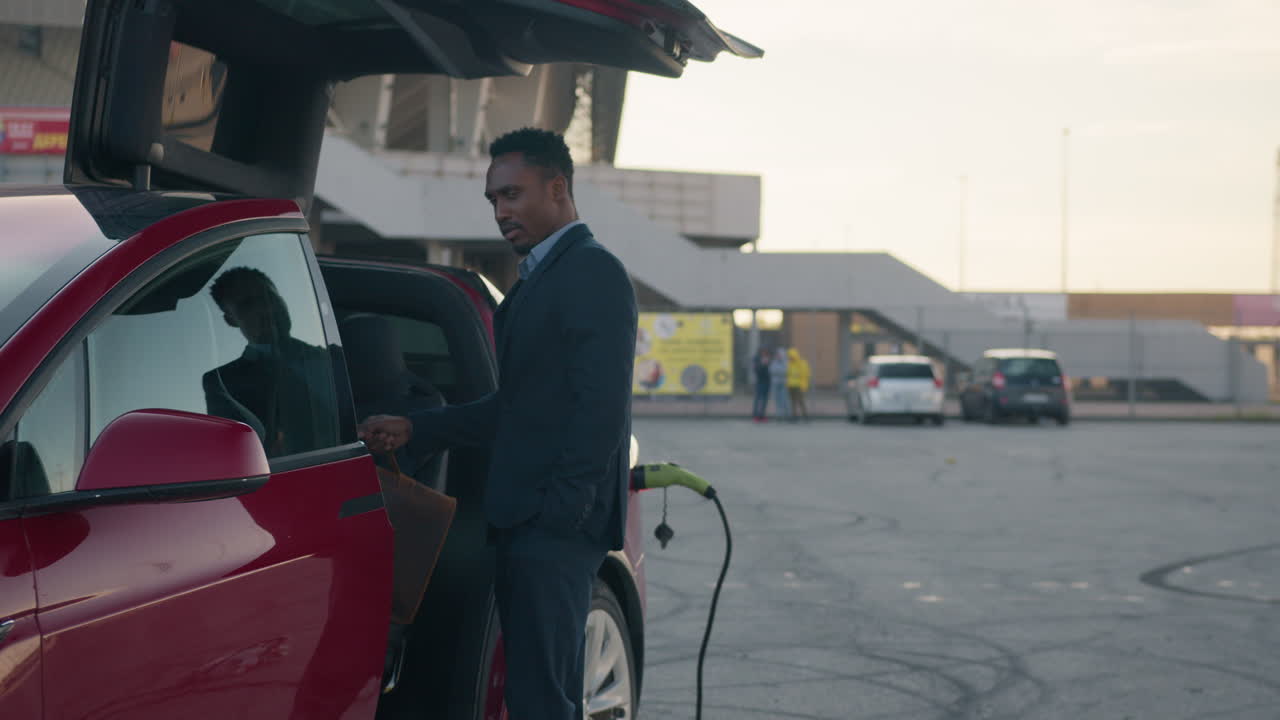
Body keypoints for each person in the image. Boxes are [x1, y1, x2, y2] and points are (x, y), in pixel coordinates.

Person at [358, 128, 637, 720]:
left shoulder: (591, 272)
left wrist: (561, 513)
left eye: (512, 194)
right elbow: (518, 408)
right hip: (526, 520)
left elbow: (602, 407)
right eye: (493, 200)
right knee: (533, 692)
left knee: (544, 697)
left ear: (557, 188)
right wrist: (418, 429)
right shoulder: (540, 277)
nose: (501, 212)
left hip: (554, 525)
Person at [203, 266, 334, 457]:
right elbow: (234, 454)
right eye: (248, 304)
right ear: (230, 320)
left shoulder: (332, 358)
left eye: (269, 297)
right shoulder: (222, 383)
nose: (266, 309)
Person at [786, 347, 812, 421]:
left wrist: (804, 385)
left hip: (798, 385)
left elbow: (805, 375)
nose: (790, 358)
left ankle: (805, 416)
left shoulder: (802, 363)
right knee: (792, 402)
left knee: (801, 401)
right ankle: (794, 416)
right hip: (791, 385)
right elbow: (788, 374)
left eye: (791, 356)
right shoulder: (790, 363)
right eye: (789, 357)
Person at [769, 346, 790, 420]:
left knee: (784, 399)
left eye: (779, 354)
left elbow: (785, 371)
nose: (778, 356)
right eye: (777, 354)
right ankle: (779, 415)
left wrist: (778, 371)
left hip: (783, 383)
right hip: (775, 383)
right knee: (777, 400)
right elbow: (771, 370)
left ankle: (787, 414)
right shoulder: (774, 362)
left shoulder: (786, 362)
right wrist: (779, 371)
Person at [751, 347, 772, 422]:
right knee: (758, 399)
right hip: (760, 382)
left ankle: (762, 415)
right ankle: (756, 415)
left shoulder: (769, 359)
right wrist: (763, 364)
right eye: (763, 352)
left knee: (765, 400)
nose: (765, 353)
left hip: (767, 382)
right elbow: (756, 370)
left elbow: (771, 370)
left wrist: (768, 364)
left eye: (766, 352)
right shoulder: (756, 359)